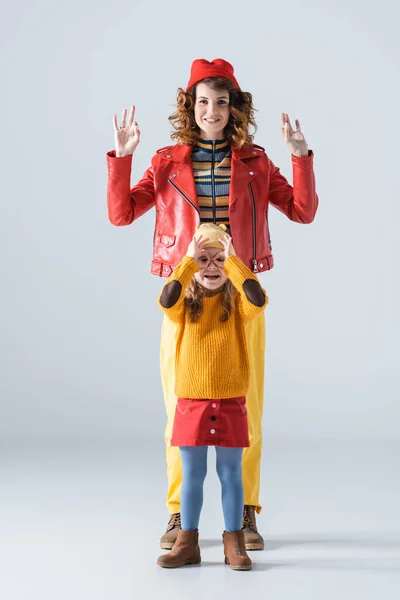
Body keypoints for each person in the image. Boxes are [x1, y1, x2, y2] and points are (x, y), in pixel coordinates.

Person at [106, 58, 318, 550]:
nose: (212, 110)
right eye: (203, 101)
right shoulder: (165, 161)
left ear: (235, 107)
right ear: (190, 106)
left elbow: (303, 212)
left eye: (221, 101)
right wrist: (122, 158)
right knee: (179, 406)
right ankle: (181, 514)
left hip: (241, 296)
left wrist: (301, 157)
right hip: (185, 296)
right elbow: (121, 215)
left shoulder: (258, 162)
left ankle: (244, 513)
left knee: (249, 406)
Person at [156, 223, 268, 570]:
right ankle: (187, 542)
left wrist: (233, 261)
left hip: (232, 401)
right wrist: (189, 260)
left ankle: (234, 542)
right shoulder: (183, 303)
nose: (211, 267)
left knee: (231, 474)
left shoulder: (237, 304)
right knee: (192, 474)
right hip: (191, 402)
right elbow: (166, 298)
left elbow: (258, 298)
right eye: (203, 259)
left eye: (218, 259)